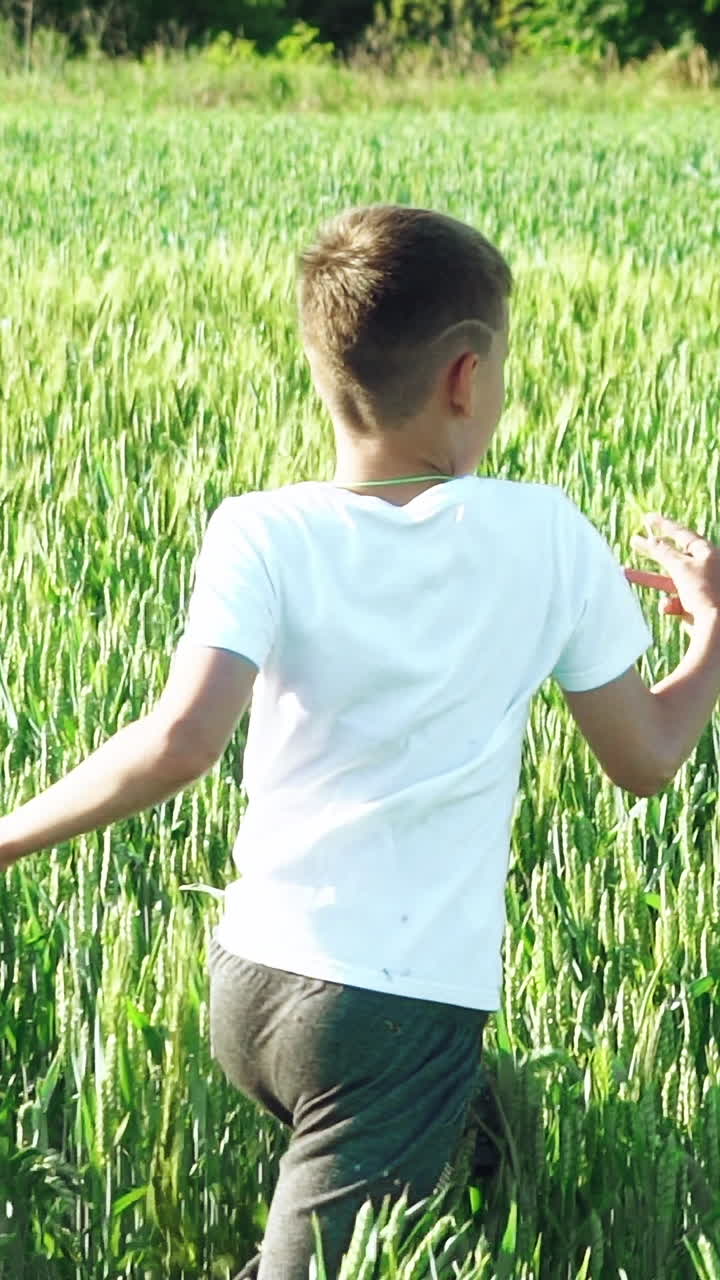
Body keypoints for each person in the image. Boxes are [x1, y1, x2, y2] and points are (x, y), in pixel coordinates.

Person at [2, 205, 719, 1280]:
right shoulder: (546, 535)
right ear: (467, 377)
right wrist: (711, 633)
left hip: (253, 984)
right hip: (393, 1010)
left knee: (495, 1152)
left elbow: (178, 741)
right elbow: (649, 755)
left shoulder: (260, 527)